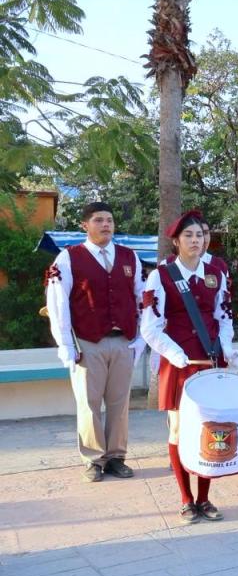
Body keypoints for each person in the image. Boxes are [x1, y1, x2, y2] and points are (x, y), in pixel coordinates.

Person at [140, 212, 238, 523]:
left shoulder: (216, 274)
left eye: (199, 235)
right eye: (188, 236)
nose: (196, 240)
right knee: (180, 429)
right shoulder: (161, 276)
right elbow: (150, 327)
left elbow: (224, 317)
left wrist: (228, 347)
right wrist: (173, 352)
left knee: (210, 428)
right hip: (180, 363)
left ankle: (204, 498)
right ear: (176, 241)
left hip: (210, 361)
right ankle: (186, 499)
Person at [45, 201, 146, 483]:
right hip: (87, 342)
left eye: (109, 220)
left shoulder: (130, 257)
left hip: (123, 341)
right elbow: (57, 303)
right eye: (99, 220)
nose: (106, 225)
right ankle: (93, 459)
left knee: (119, 403)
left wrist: (141, 338)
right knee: (88, 404)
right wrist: (65, 344)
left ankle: (116, 457)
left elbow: (142, 298)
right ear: (85, 225)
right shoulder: (68, 258)